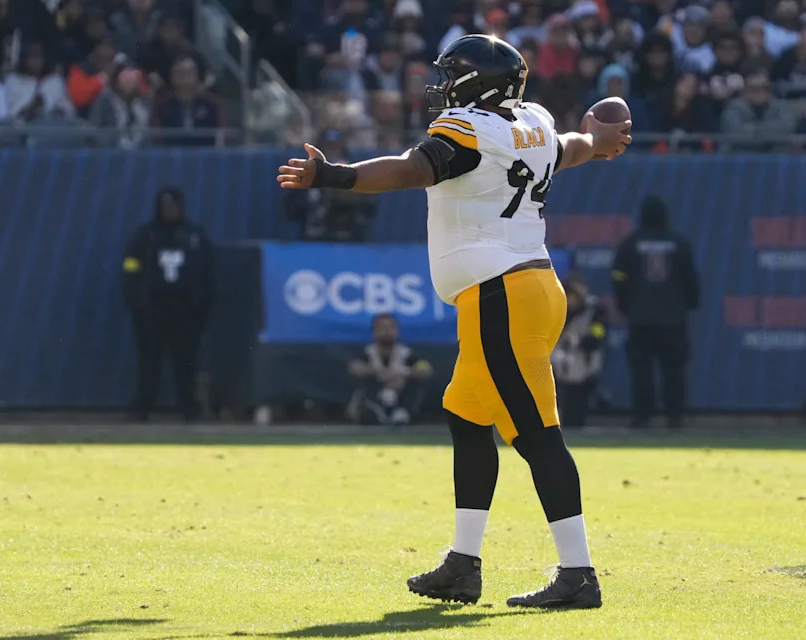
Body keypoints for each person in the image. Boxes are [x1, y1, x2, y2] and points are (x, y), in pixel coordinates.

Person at [277, 34, 630, 609]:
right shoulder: (532, 122)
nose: (442, 86)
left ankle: (578, 572)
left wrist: (333, 176)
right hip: (524, 287)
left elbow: (408, 171)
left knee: (537, 433)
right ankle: (463, 565)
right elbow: (569, 147)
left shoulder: (469, 131)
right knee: (465, 417)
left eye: (452, 76)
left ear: (475, 84)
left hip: (504, 293)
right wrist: (598, 138)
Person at [122, 188, 214, 422]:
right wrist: (136, 298)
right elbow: (131, 265)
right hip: (153, 306)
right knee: (149, 360)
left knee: (186, 361)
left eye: (173, 206)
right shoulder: (146, 235)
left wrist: (200, 302)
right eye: (165, 206)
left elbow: (206, 270)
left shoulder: (194, 235)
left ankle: (189, 408)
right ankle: (142, 407)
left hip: (184, 308)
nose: (169, 211)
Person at [612, 196, 699, 429]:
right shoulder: (679, 243)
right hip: (673, 319)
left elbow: (618, 276)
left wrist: (625, 305)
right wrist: (686, 304)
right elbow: (691, 279)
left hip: (640, 318)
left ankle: (642, 416)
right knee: (674, 371)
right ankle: (675, 416)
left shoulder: (631, 243)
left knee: (642, 371)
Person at [346, 314, 434, 425]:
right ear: (374, 331)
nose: (386, 332)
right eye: (382, 328)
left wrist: (404, 372)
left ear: (396, 330)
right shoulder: (367, 352)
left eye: (390, 328)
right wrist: (376, 372)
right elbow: (354, 367)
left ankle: (401, 412)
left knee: (415, 382)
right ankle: (375, 412)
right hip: (375, 397)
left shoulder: (407, 353)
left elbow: (426, 369)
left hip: (401, 397)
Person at [551, 280, 607, 428]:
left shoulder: (595, 311)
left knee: (578, 402)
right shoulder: (557, 309)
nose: (571, 301)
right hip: (559, 364)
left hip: (583, 364)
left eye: (574, 297)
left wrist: (579, 341)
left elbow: (597, 336)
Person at [151, 53, 222, 146]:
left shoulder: (211, 103)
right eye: (180, 72)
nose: (185, 76)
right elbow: (156, 135)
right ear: (172, 76)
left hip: (205, 156)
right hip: (170, 156)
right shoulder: (162, 104)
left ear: (197, 75)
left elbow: (221, 134)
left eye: (189, 72)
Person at [721, 70, 794, 145]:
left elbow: (786, 128)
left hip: (775, 153)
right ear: (745, 91)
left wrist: (753, 132)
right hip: (741, 152)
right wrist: (768, 133)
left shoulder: (781, 108)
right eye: (753, 88)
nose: (759, 92)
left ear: (770, 91)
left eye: (764, 88)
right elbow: (736, 132)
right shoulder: (733, 108)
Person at [88, 64, 149, 148]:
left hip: (139, 153)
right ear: (117, 81)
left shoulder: (144, 103)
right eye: (125, 78)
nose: (130, 83)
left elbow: (149, 133)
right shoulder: (105, 100)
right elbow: (94, 128)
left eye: (134, 79)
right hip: (109, 152)